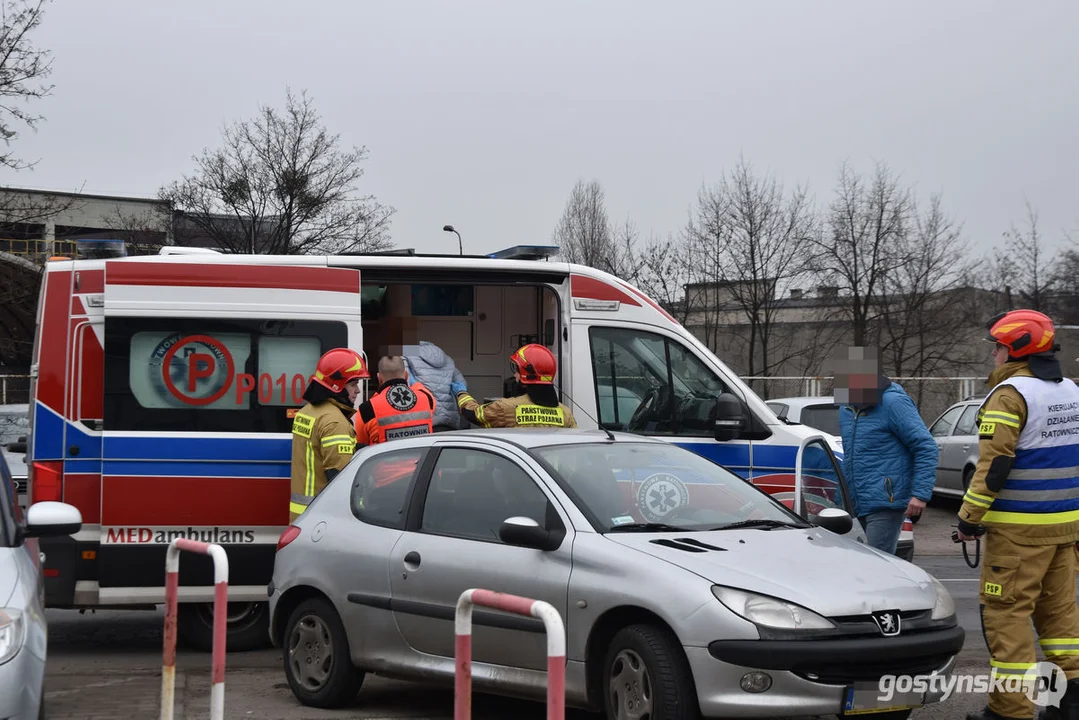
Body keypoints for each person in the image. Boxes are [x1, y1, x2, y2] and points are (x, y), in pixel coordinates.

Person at [957, 310, 1079, 720]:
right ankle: (1072, 699)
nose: (994, 353)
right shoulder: (1070, 391)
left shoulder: (1010, 395)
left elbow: (995, 466)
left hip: (1017, 533)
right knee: (1060, 617)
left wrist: (969, 517)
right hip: (1064, 528)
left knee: (1007, 617)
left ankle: (1010, 711)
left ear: (1014, 350)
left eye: (999, 346)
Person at [833, 345, 937, 555]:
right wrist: (840, 496)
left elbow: (926, 447)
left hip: (885, 502)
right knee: (855, 563)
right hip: (854, 502)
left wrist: (920, 495)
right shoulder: (847, 408)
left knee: (876, 563)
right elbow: (852, 454)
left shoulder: (893, 402)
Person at [289, 348, 369, 522]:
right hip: (324, 518)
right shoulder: (335, 422)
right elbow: (341, 479)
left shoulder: (307, 412)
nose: (358, 391)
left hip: (302, 516)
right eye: (353, 384)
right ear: (336, 385)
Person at [451, 343, 577, 428]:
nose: (515, 375)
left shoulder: (506, 408)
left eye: (517, 371)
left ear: (527, 374)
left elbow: (472, 414)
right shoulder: (566, 414)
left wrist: (461, 393)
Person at [354, 355, 437, 446]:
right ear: (406, 375)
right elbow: (419, 388)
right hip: (421, 459)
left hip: (384, 460)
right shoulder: (427, 398)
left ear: (379, 378)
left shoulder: (366, 409)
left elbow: (361, 446)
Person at [403, 340, 469, 431]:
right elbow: (462, 384)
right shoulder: (447, 359)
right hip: (450, 417)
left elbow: (404, 385)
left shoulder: (406, 355)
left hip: (426, 418)